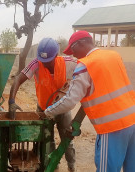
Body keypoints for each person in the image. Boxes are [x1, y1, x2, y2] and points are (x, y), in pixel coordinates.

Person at [44, 30, 135, 172]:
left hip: (112, 127)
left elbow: (69, 101)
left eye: (73, 49)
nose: (73, 54)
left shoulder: (85, 65)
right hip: (132, 121)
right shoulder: (114, 56)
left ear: (81, 43)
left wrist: (48, 111)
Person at [9, 38, 76, 171]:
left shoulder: (69, 63)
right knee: (46, 141)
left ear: (56, 56)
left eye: (47, 61)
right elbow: (18, 78)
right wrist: (11, 101)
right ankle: (52, 166)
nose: (44, 63)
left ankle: (71, 166)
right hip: (43, 109)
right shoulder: (36, 63)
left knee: (67, 140)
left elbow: (87, 69)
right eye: (42, 60)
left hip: (62, 109)